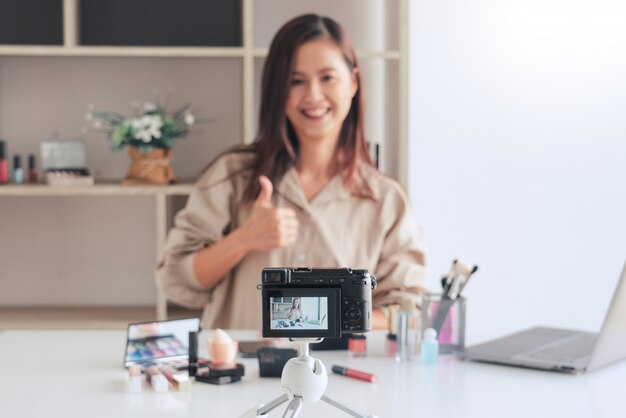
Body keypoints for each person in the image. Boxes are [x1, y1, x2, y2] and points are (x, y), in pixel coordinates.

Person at [156, 14, 426, 330]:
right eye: (296, 81)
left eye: (327, 78)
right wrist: (244, 239)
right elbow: (175, 277)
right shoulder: (232, 176)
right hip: (243, 373)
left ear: (353, 82)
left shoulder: (385, 199)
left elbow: (408, 311)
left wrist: (324, 317)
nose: (312, 95)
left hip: (338, 376)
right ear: (277, 90)